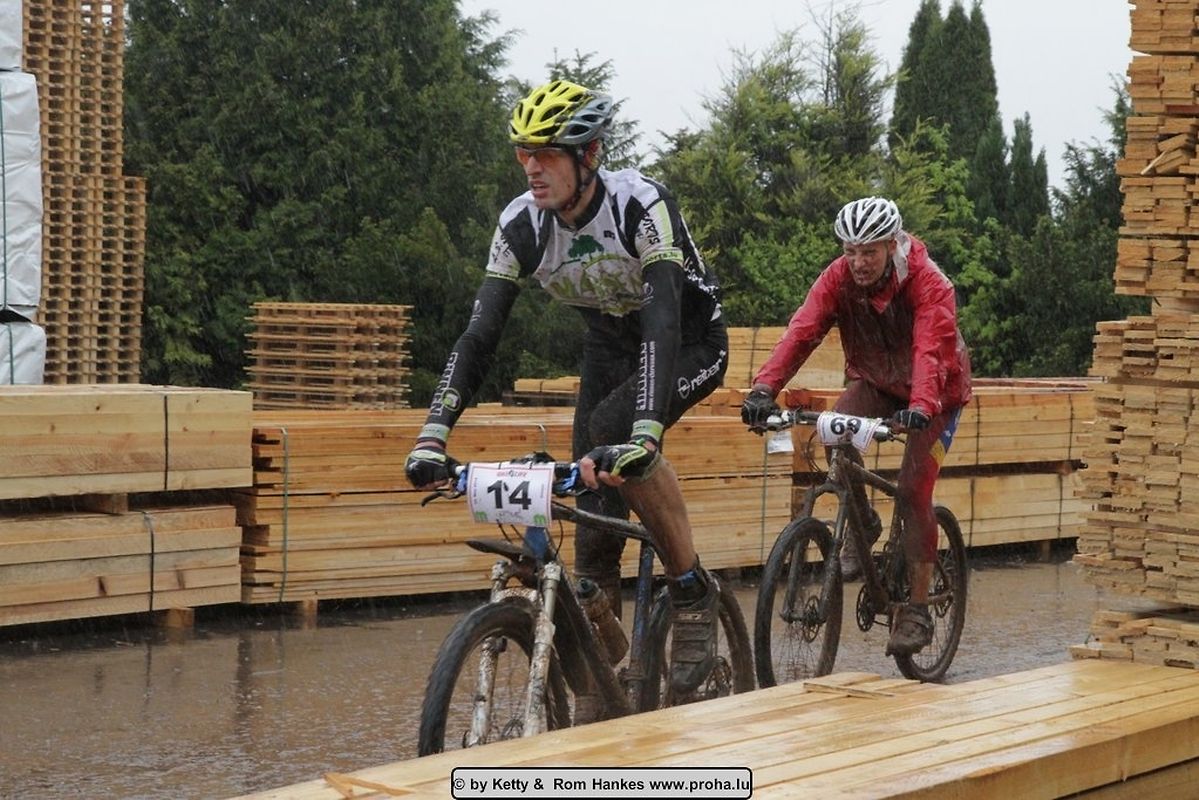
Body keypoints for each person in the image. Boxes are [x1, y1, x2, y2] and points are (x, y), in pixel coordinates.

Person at [405, 79, 729, 696]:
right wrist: (432, 434)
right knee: (591, 509)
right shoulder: (520, 226)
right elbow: (479, 336)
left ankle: (692, 592)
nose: (532, 166)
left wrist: (645, 433)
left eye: (548, 153)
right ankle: (605, 667)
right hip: (608, 344)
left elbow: (662, 321)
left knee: (616, 436)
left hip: (687, 340)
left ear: (590, 155)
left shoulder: (641, 205)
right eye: (523, 152)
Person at [741, 196, 972, 657]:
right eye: (850, 251)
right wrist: (764, 388)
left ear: (892, 245)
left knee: (913, 490)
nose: (858, 262)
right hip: (877, 382)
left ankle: (917, 610)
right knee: (833, 430)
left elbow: (931, 348)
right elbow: (802, 331)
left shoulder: (929, 282)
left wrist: (922, 405)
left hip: (938, 394)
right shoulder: (837, 278)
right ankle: (863, 523)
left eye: (869, 252)